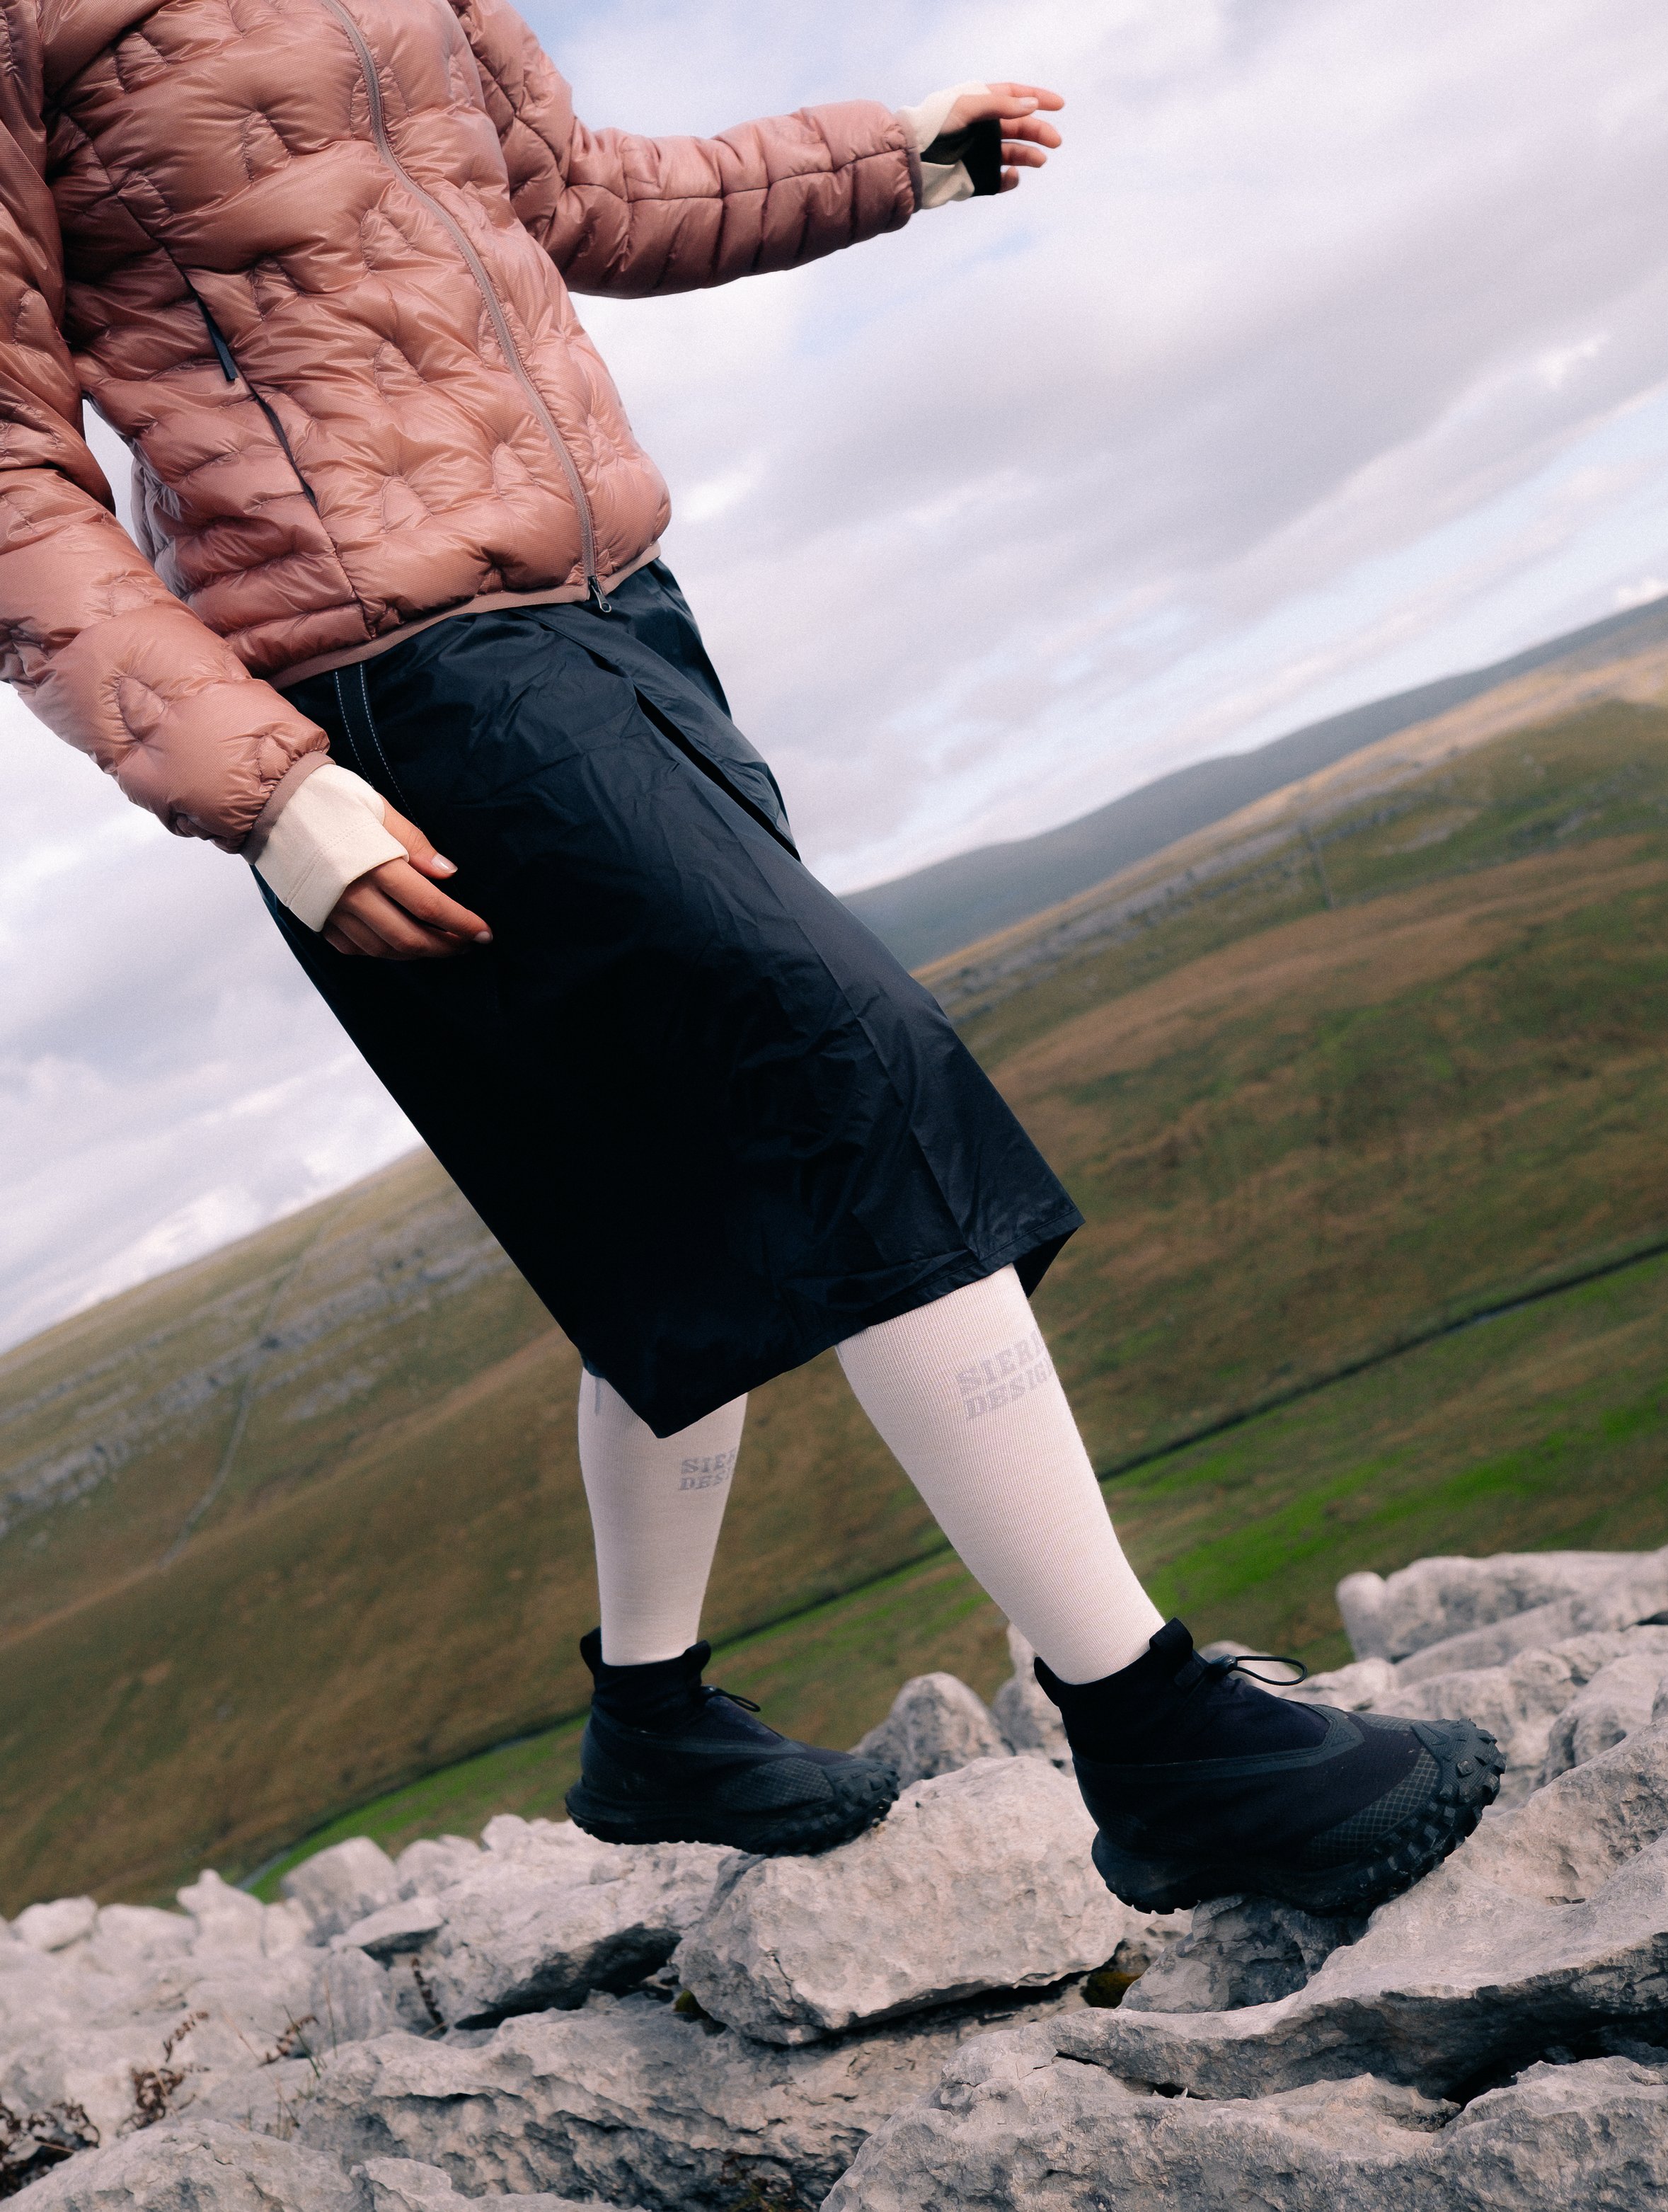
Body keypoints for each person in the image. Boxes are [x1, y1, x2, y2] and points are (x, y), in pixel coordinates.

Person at [0, 0, 1501, 1915]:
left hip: (617, 613)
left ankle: (655, 1725)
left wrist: (891, 162)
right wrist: (263, 784)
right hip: (393, 680)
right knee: (844, 1070)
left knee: (678, 1195)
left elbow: (570, 195)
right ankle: (1155, 1735)